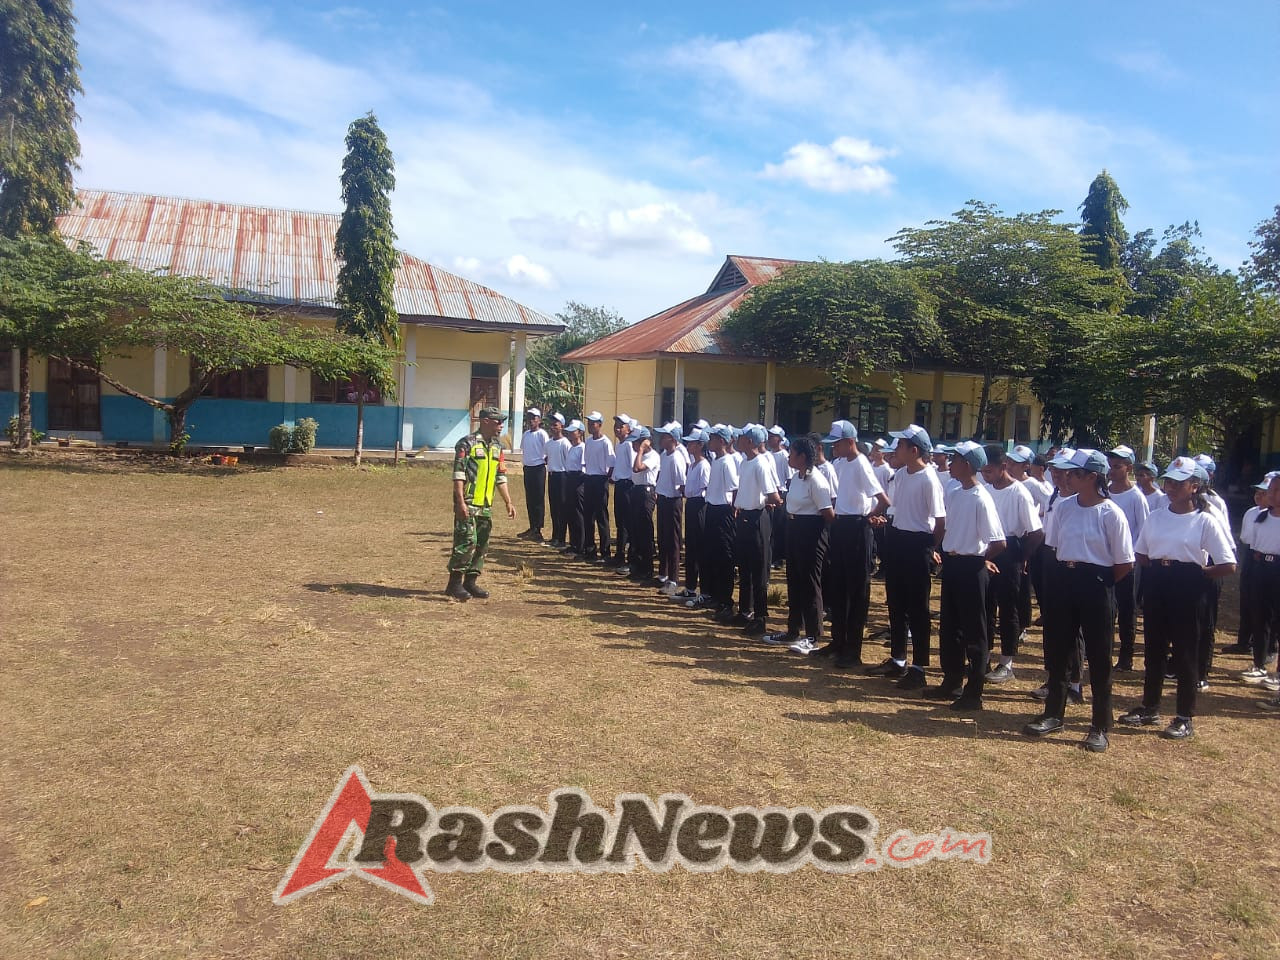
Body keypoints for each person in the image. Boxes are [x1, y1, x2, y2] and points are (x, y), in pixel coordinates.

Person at [1118, 457, 1237, 740]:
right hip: (1158, 581)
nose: (1170, 487)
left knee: (1185, 653)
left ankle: (1184, 715)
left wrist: (1199, 573)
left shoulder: (1205, 520)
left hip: (1190, 587)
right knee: (1154, 650)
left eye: (1178, 483)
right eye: (1169, 481)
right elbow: (1142, 552)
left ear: (1194, 487)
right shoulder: (1157, 516)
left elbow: (1228, 563)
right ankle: (1150, 706)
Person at [1023, 449, 1134, 753]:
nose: (1066, 477)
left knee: (1099, 656)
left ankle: (1099, 724)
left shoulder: (1111, 513)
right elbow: (1054, 546)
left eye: (1074, 473)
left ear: (1092, 478)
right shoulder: (1064, 507)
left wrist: (1099, 583)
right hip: (1063, 579)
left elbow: (1124, 563)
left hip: (1097, 584)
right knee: (1059, 651)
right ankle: (1053, 713)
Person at [931, 441, 1006, 709]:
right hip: (953, 565)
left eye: (955, 460)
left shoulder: (981, 498)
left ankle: (974, 691)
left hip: (971, 567)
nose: (950, 464)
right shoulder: (955, 492)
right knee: (950, 628)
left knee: (975, 631)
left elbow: (998, 542)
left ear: (967, 465)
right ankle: (951, 680)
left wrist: (979, 560)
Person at [870, 424, 946, 692]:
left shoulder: (929, 479)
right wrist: (886, 522)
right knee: (896, 603)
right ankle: (898, 658)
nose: (896, 449)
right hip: (897, 540)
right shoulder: (900, 475)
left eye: (901, 446)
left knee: (918, 609)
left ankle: (919, 667)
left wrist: (929, 548)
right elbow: (899, 510)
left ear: (914, 450)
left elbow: (939, 521)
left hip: (917, 545)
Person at [821, 420, 888, 669]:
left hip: (857, 528)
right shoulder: (841, 463)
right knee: (838, 586)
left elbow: (882, 499)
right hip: (841, 524)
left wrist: (868, 518)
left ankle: (853, 649)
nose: (834, 449)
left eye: (837, 444)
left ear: (850, 442)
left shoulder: (861, 464)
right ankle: (837, 641)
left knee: (856, 590)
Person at [980, 444, 1044, 683]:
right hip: (988, 548)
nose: (985, 475)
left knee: (1009, 608)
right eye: (983, 471)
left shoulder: (1019, 492)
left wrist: (1023, 558)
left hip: (1010, 550)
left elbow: (1036, 532)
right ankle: (983, 657)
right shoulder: (986, 490)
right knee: (986, 607)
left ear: (1003, 467)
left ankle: (1007, 662)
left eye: (989, 471)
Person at [764, 435, 835, 653]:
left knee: (810, 583)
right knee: (794, 580)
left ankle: (813, 636)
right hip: (793, 530)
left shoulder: (817, 480)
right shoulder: (796, 477)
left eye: (792, 453)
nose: (788, 456)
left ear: (803, 457)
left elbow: (828, 514)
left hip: (811, 532)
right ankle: (793, 629)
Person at [446, 407, 516, 600]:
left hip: (485, 504)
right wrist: (460, 501)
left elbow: (500, 476)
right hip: (468, 502)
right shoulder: (466, 444)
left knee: (482, 544)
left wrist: (508, 502)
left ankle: (470, 582)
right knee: (466, 542)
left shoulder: (497, 447)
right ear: (485, 421)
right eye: (497, 422)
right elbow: (458, 475)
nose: (501, 426)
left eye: (502, 422)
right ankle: (454, 583)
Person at [733, 425, 783, 637]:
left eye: (742, 437)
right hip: (744, 516)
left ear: (750, 442)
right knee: (744, 567)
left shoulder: (760, 464)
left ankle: (760, 617)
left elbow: (773, 496)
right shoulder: (746, 462)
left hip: (756, 517)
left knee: (758, 569)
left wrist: (763, 502)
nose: (738, 439)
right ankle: (745, 610)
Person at [1106, 445, 1150, 673]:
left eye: (1117, 466)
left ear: (1128, 468)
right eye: (1110, 465)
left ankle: (1126, 656)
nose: (1112, 470)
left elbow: (1143, 531)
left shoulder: (1136, 497)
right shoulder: (1104, 492)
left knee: (1126, 609)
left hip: (1127, 562)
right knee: (1106, 609)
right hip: (1104, 561)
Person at [705, 426, 741, 622]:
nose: (709, 441)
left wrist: (733, 510)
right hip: (713, 508)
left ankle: (726, 602)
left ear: (722, 441)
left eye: (713, 438)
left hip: (723, 511)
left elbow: (734, 488)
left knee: (725, 557)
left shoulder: (727, 462)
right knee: (715, 557)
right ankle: (718, 597)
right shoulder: (716, 461)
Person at [678, 428, 712, 603]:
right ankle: (690, 587)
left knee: (700, 549)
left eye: (692, 442)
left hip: (700, 506)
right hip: (691, 504)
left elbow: (705, 489)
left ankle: (705, 591)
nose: (688, 445)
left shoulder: (704, 465)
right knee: (691, 547)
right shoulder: (692, 465)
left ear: (700, 445)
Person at [655, 424, 688, 594]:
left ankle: (674, 580)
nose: (661, 439)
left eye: (665, 436)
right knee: (662, 538)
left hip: (672, 501)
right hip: (662, 499)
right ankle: (663, 574)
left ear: (673, 440)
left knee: (673, 540)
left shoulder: (677, 458)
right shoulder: (664, 455)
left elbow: (681, 485)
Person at [627, 427, 661, 582]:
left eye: (637, 442)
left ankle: (647, 569)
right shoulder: (639, 456)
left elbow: (637, 468)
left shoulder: (653, 456)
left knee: (645, 531)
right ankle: (637, 565)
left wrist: (640, 450)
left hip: (646, 492)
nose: (634, 446)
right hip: (636, 490)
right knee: (635, 529)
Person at [582, 412, 615, 563]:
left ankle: (605, 552)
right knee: (588, 516)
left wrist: (605, 479)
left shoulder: (605, 442)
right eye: (589, 423)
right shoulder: (588, 441)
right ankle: (590, 549)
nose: (590, 425)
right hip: (589, 479)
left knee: (602, 518)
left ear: (600, 425)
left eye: (593, 423)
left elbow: (612, 464)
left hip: (600, 480)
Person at [607, 415, 635, 571]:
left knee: (627, 522)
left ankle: (628, 557)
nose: (617, 429)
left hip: (627, 486)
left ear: (628, 428)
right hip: (619, 484)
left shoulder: (630, 445)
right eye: (616, 426)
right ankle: (619, 554)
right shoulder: (620, 445)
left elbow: (632, 467)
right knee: (620, 522)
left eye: (621, 426)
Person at [519, 408, 549, 542]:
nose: (531, 421)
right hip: (528, 469)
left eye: (534, 418)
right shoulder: (526, 434)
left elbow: (548, 452)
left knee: (538, 499)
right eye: (529, 418)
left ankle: (538, 529)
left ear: (539, 420)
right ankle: (532, 527)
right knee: (529, 499)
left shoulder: (542, 434)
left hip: (538, 468)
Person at [561, 420, 586, 556]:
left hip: (578, 480)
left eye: (573, 431)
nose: (570, 433)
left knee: (578, 514)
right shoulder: (572, 447)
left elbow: (583, 467)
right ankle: (573, 543)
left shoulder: (582, 447)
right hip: (569, 479)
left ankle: (580, 546)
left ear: (580, 433)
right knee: (570, 512)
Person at [545, 413, 570, 549]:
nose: (552, 427)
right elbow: (547, 458)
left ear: (562, 426)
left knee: (562, 508)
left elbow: (568, 461)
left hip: (562, 477)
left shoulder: (565, 443)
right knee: (554, 507)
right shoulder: (549, 443)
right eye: (551, 424)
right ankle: (555, 536)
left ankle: (561, 538)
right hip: (552, 475)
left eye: (555, 425)